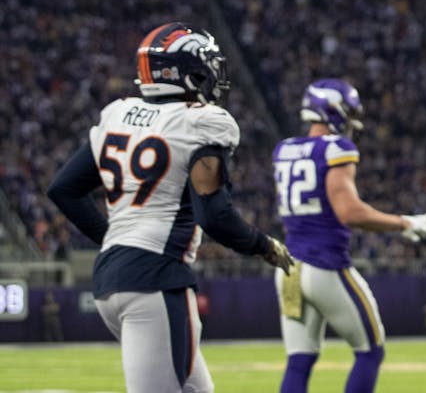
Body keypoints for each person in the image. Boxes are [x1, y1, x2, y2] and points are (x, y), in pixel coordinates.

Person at [46, 22, 293, 393]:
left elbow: (64, 189)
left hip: (111, 281)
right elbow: (215, 216)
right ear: (188, 72)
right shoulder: (200, 122)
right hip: (154, 281)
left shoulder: (118, 114)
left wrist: (116, 240)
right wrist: (264, 245)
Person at [271, 79, 426, 393]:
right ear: (332, 110)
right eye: (348, 111)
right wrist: (403, 223)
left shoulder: (284, 149)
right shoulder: (337, 148)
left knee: (299, 359)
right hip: (324, 264)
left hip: (288, 266)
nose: (352, 120)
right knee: (370, 350)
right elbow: (349, 212)